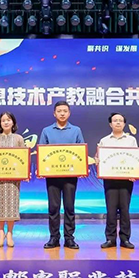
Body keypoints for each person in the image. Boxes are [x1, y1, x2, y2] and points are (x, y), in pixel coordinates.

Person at [40, 101, 85, 250]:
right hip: (52, 176)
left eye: (65, 111)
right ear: (54, 113)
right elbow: (42, 152)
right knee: (53, 208)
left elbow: (81, 151)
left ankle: (69, 238)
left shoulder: (76, 130)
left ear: (69, 113)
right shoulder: (47, 131)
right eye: (59, 111)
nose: (62, 113)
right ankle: (54, 238)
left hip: (70, 176)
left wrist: (81, 168)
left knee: (69, 207)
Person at [0, 112, 26, 248]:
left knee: (11, 206)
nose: (6, 122)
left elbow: (23, 157)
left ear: (13, 122)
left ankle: (10, 233)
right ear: (0, 123)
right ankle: (1, 233)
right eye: (3, 120)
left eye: (8, 120)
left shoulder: (19, 139)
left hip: (13, 178)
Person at [97, 113, 137, 249]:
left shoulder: (131, 140)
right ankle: (110, 238)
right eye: (115, 121)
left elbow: (135, 158)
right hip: (110, 179)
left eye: (120, 120)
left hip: (126, 179)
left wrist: (134, 172)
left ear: (124, 124)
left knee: (125, 209)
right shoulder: (104, 140)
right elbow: (100, 158)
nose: (118, 123)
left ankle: (125, 239)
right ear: (110, 124)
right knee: (111, 209)